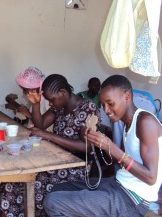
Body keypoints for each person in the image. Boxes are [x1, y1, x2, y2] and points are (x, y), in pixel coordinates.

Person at [43, 75, 162, 217]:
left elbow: (150, 177)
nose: (106, 110)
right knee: (55, 189)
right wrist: (97, 142)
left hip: (134, 199)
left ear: (127, 96)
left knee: (53, 202)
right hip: (119, 183)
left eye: (110, 104)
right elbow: (122, 162)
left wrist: (110, 146)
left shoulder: (145, 121)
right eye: (103, 104)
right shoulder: (127, 124)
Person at [0, 74, 101, 217]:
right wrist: (36, 105)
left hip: (74, 168)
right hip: (55, 160)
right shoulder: (60, 106)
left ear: (63, 92)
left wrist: (50, 136)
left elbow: (88, 147)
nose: (50, 103)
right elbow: (41, 124)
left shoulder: (88, 108)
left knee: (23, 180)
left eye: (52, 100)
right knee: (13, 179)